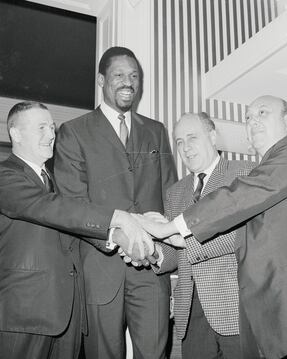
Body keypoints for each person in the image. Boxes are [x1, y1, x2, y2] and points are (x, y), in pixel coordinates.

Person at [136, 95, 287, 359]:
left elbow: (239, 202)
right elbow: (253, 233)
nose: (252, 121)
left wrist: (170, 228)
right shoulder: (177, 193)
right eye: (248, 117)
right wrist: (155, 245)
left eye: (262, 113)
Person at [0, 101, 153, 359]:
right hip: (26, 316)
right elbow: (49, 208)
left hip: (68, 318)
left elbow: (72, 222)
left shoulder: (54, 184)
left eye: (52, 127)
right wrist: (120, 218)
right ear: (15, 133)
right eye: (41, 128)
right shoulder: (6, 176)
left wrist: (118, 236)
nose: (51, 135)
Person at [53, 47, 178, 359]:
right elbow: (73, 205)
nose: (128, 82)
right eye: (120, 75)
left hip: (151, 269)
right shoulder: (73, 132)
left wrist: (162, 252)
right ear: (101, 79)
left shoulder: (156, 131)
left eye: (134, 76)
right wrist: (120, 238)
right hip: (100, 272)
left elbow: (170, 196)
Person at [147, 112, 260, 358]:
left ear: (212, 136)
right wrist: (153, 251)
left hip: (237, 309)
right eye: (179, 142)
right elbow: (176, 254)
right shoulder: (175, 193)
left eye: (192, 137)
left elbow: (248, 234)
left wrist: (184, 240)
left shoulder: (244, 174)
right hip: (191, 314)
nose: (185, 147)